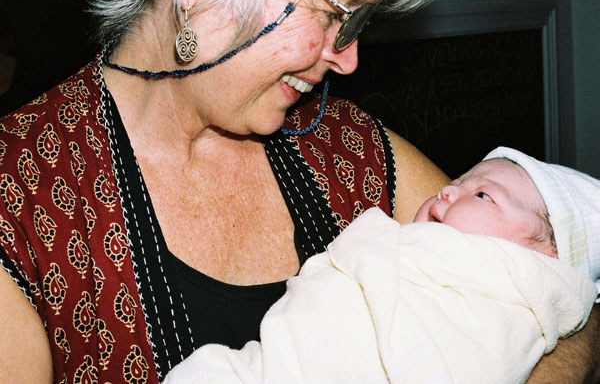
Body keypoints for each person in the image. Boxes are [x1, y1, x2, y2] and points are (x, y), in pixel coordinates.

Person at [0, 0, 597, 381]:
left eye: (358, 22)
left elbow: (564, 289)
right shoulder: (20, 197)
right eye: (334, 12)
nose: (349, 57)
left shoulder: (344, 144)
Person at [161, 146, 600, 383]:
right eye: (458, 181)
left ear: (546, 258)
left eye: (482, 195)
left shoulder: (507, 295)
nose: (447, 191)